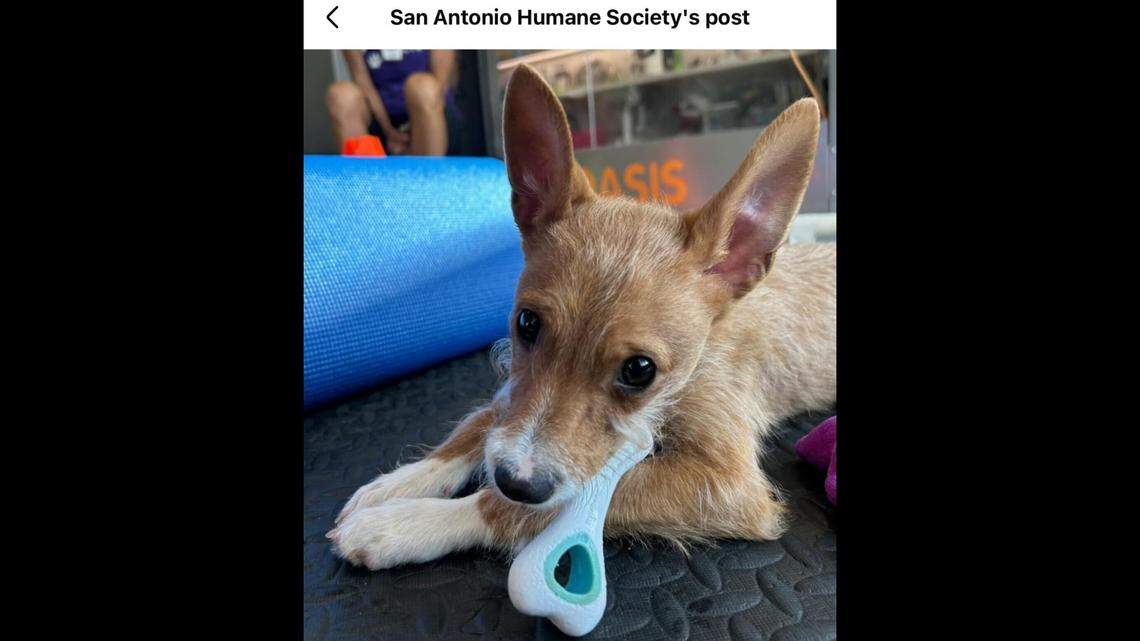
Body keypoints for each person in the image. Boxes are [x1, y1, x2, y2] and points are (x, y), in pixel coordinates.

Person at [326, 50, 456, 156]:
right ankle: (366, 176)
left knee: (421, 86)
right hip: (380, 118)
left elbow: (440, 84)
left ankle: (428, 176)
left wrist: (413, 131)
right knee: (341, 95)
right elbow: (362, 80)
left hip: (429, 118)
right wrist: (389, 131)